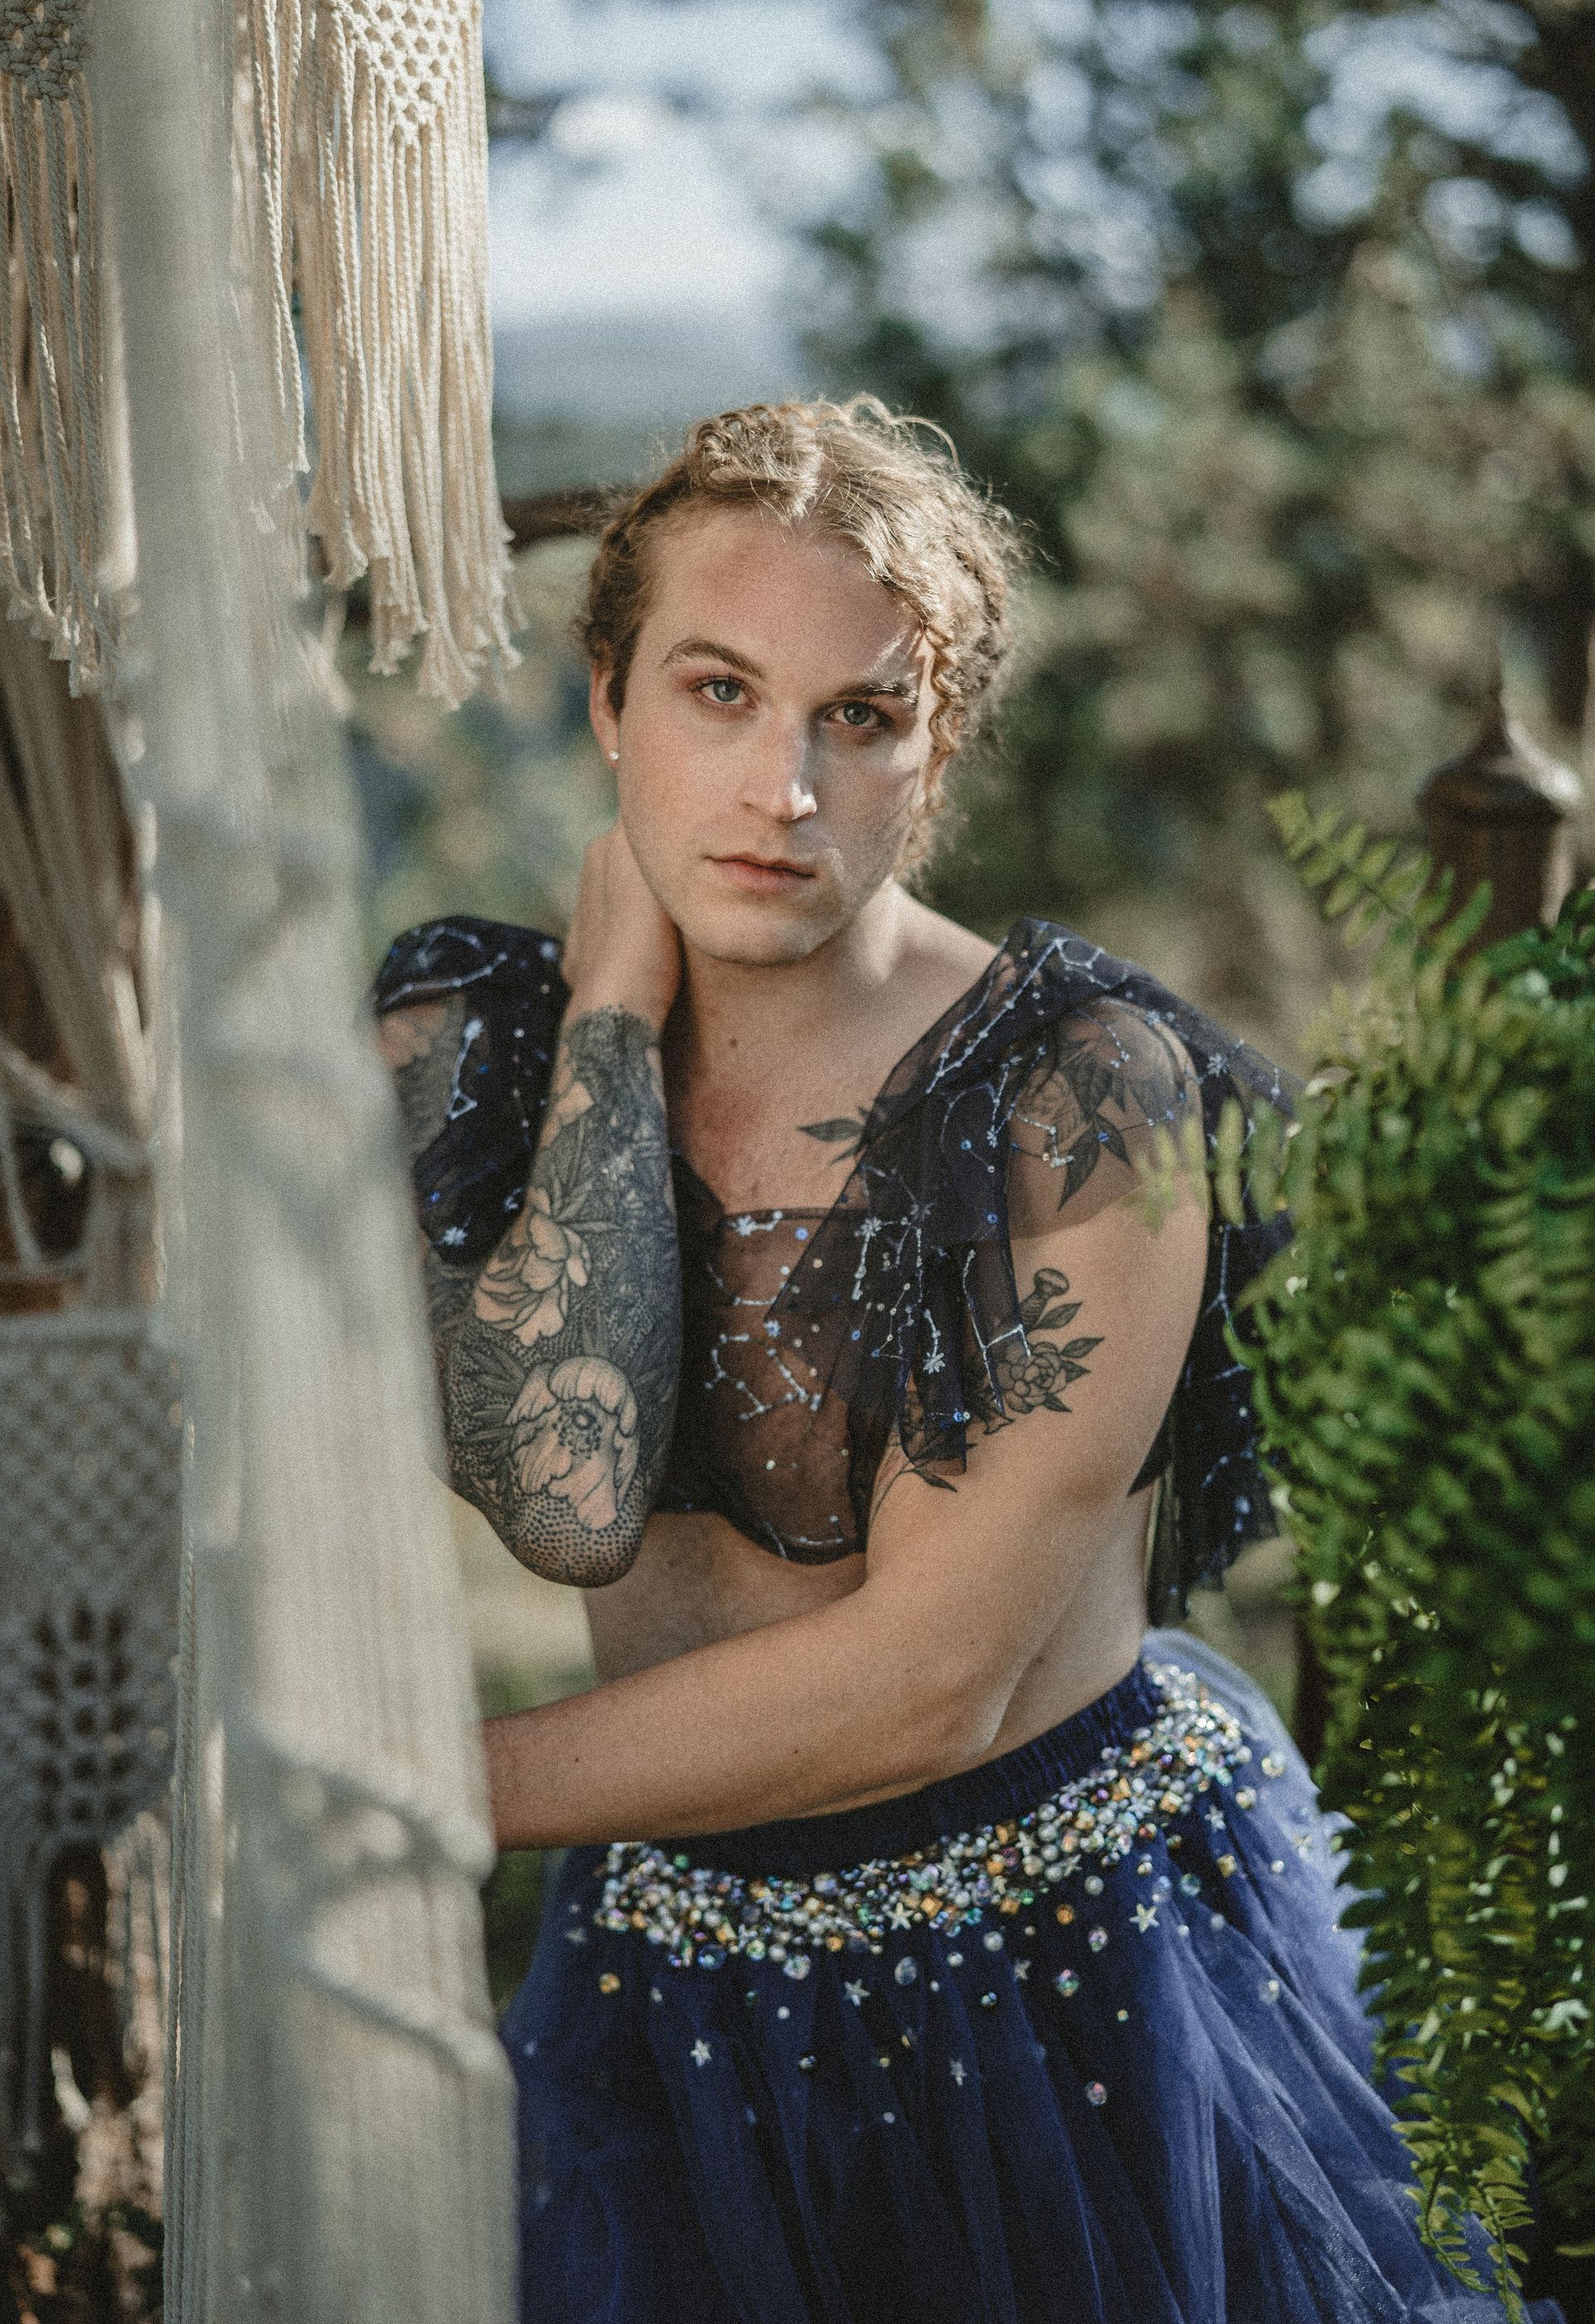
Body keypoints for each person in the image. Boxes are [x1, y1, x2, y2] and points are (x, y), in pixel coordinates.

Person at [371, 400, 1558, 2324]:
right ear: (606, 704)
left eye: (862, 716)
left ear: (940, 752)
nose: (786, 789)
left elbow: (929, 1682)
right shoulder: (477, 1050)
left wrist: (396, 1786)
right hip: (664, 1981)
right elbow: (568, 1499)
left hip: (1072, 1989)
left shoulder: (1078, 1094)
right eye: (720, 691)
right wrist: (608, 1014)